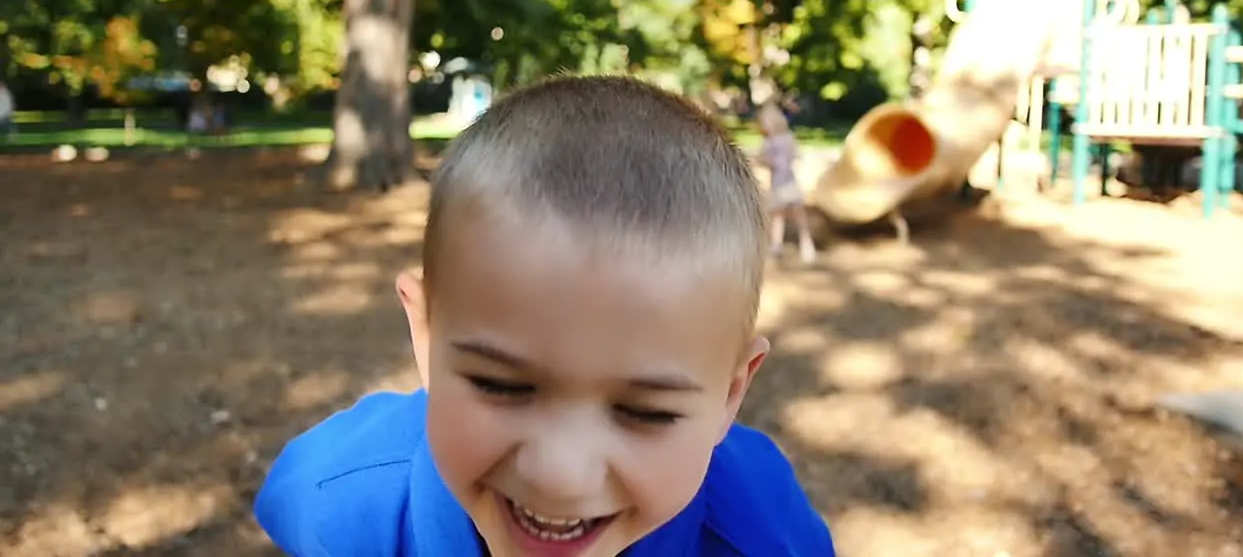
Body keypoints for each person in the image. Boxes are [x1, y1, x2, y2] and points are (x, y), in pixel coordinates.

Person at [253, 75, 835, 556]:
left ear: (731, 395)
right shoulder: (349, 507)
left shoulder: (761, 533)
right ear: (427, 336)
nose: (561, 474)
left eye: (645, 412)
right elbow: (289, 495)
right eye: (501, 385)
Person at [755, 102, 817, 265]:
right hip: (777, 183)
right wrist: (764, 161)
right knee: (778, 215)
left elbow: (795, 155)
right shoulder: (767, 142)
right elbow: (763, 160)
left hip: (788, 181)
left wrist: (784, 160)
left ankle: (806, 243)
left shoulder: (786, 138)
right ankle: (776, 245)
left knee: (798, 213)